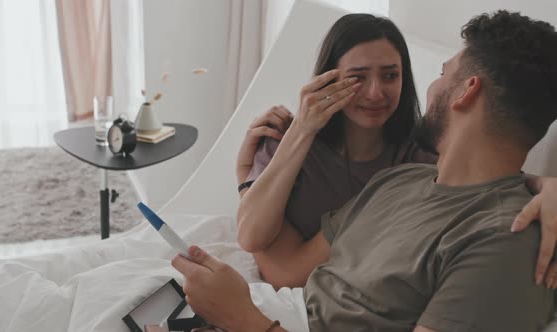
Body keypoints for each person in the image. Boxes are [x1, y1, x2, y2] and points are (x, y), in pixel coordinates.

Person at [174, 10, 557, 332]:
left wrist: (245, 321)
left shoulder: (506, 241)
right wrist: (248, 179)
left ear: (466, 91)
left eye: (443, 73)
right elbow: (288, 269)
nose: (432, 86)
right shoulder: (398, 180)